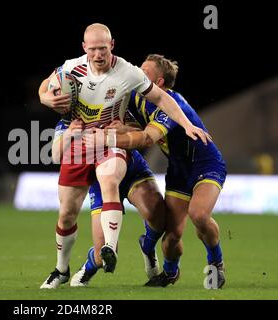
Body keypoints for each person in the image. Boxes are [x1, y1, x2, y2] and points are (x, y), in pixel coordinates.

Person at [38, 23, 210, 289]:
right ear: (84, 48)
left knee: (127, 193)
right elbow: (46, 86)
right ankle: (63, 269)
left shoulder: (128, 73)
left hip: (111, 143)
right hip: (81, 144)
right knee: (66, 214)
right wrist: (46, 99)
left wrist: (187, 124)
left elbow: (162, 99)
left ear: (112, 46)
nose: (98, 54)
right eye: (93, 49)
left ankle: (115, 246)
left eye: (103, 49)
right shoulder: (71, 67)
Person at [85, 54, 226, 288]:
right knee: (171, 239)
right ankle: (170, 273)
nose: (138, 73)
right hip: (178, 170)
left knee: (199, 215)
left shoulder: (171, 103)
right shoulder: (136, 97)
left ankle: (216, 262)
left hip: (206, 164)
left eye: (144, 72)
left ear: (158, 83)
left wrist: (108, 138)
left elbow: (148, 138)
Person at [52, 118, 166, 287]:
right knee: (101, 256)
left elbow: (144, 136)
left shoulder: (116, 102)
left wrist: (124, 129)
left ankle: (148, 246)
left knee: (158, 213)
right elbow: (56, 156)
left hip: (131, 170)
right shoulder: (68, 120)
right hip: (101, 178)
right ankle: (88, 267)